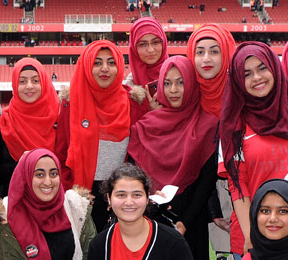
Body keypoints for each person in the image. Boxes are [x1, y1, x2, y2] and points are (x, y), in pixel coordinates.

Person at [219, 41, 288, 258]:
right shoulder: (232, 126)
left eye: (262, 68)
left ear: (275, 68)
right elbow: (237, 186)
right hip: (253, 235)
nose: (257, 78)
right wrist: (251, 236)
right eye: (247, 74)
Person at [127, 56, 219, 259]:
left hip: (191, 223)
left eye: (181, 82)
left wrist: (185, 222)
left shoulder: (208, 125)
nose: (174, 90)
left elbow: (206, 182)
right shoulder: (145, 126)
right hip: (149, 221)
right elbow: (135, 178)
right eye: (167, 83)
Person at [55, 40, 130, 231]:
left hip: (124, 196)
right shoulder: (70, 104)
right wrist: (67, 194)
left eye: (111, 62)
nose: (104, 68)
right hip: (83, 196)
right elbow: (61, 153)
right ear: (87, 66)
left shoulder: (133, 102)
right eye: (97, 63)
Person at [0, 148, 96, 260]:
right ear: (25, 178)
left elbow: (90, 254)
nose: (48, 182)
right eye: (40, 175)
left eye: (53, 173)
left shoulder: (76, 208)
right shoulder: (10, 217)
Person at [0, 58, 59, 199]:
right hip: (12, 204)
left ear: (44, 83)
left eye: (35, 81)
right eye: (22, 81)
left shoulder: (59, 119)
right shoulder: (1, 123)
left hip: (53, 202)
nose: (29, 86)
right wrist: (21, 166)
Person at [86, 165, 193, 260]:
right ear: (109, 198)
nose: (129, 202)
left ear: (147, 198)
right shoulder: (99, 245)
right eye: (121, 195)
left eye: (137, 195)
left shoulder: (173, 242)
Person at [186, 23, 237, 117]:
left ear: (226, 55)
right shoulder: (183, 96)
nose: (206, 59)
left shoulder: (242, 95)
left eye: (214, 52)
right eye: (200, 52)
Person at [125, 17, 169, 121]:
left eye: (155, 42)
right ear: (134, 48)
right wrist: (150, 112)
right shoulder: (128, 88)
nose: (150, 50)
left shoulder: (181, 77)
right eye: (143, 44)